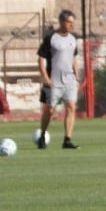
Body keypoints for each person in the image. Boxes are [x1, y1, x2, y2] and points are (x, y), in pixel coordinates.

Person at [36, 9, 81, 149]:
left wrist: (77, 75)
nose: (71, 25)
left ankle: (67, 140)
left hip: (70, 80)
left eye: (72, 23)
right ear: (62, 21)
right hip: (54, 80)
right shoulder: (51, 37)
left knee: (71, 107)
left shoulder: (73, 38)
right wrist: (45, 77)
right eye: (68, 22)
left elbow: (73, 58)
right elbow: (41, 59)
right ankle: (42, 135)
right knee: (50, 110)